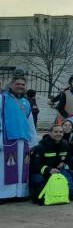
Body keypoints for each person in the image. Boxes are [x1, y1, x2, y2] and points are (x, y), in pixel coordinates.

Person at [0, 70, 39, 200]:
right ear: (11, 84)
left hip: (24, 141)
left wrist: (34, 140)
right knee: (6, 168)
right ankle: (5, 195)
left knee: (22, 168)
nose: (20, 86)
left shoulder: (26, 102)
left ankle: (20, 193)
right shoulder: (3, 98)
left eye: (23, 84)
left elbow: (30, 122)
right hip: (7, 140)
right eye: (18, 84)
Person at [29, 123, 73, 203]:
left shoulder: (64, 145)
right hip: (43, 172)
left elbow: (67, 158)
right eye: (56, 132)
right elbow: (34, 165)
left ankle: (69, 193)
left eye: (60, 132)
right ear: (50, 133)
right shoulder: (41, 146)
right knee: (38, 180)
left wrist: (64, 163)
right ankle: (41, 193)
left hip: (58, 171)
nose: (58, 134)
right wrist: (49, 169)